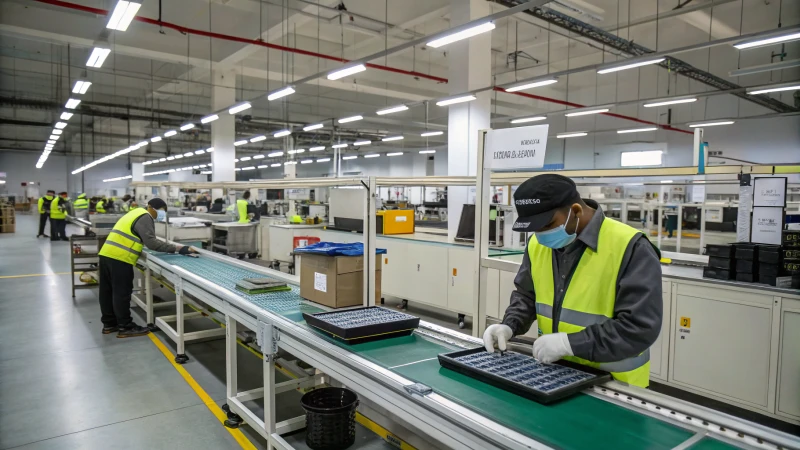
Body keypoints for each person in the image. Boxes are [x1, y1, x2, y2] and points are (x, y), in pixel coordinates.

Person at [483, 174, 662, 388]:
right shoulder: (537, 245)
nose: (541, 235)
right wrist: (509, 325)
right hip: (554, 378)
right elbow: (527, 296)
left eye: (548, 224)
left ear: (576, 211)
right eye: (535, 229)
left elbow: (638, 327)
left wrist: (570, 344)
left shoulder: (631, 247)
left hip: (614, 388)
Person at [97, 198, 197, 337]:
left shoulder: (135, 213)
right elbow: (152, 244)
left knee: (107, 292)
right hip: (120, 258)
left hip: (106, 254)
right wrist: (179, 248)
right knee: (121, 293)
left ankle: (109, 324)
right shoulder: (145, 217)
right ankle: (125, 327)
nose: (161, 215)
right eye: (162, 211)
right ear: (151, 208)